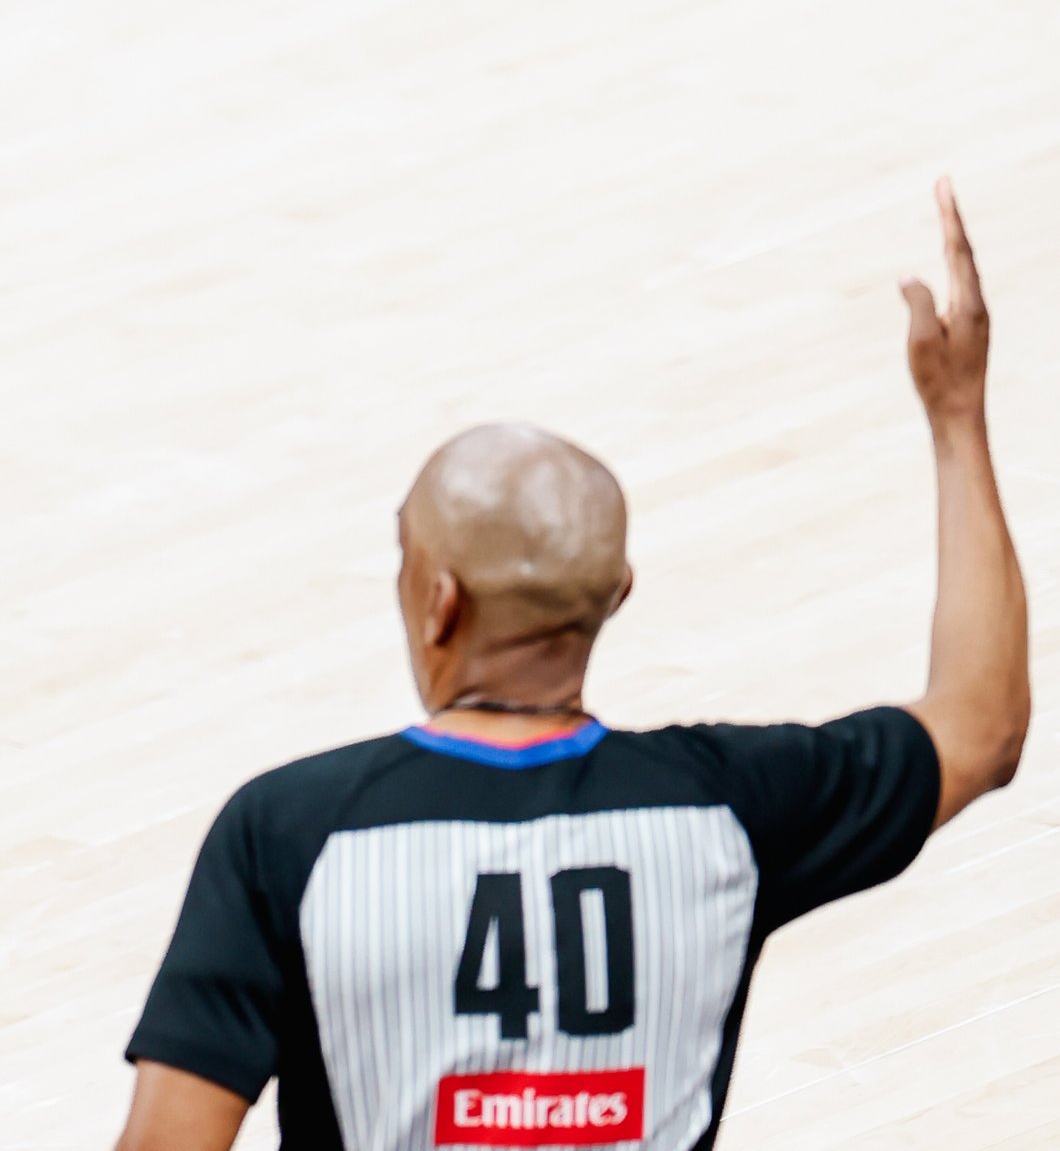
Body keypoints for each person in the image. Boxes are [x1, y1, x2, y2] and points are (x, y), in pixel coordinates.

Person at [117, 180, 1027, 1151]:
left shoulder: (287, 831)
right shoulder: (727, 809)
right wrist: (956, 417)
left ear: (439, 599)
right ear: (618, 590)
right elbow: (980, 724)